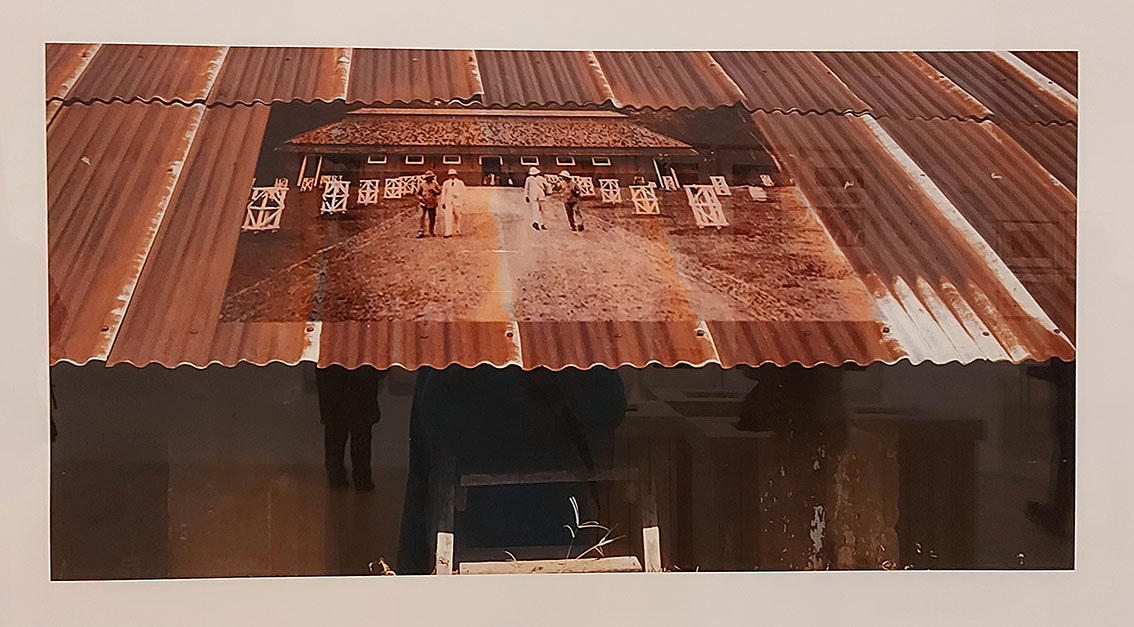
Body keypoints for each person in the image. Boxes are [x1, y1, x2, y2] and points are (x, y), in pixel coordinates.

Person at [316, 365, 384, 491]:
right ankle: (361, 480)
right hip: (361, 387)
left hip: (334, 389)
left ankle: (338, 479)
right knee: (360, 438)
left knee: (335, 437)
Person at [415, 170, 442, 238]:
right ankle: (421, 231)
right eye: (428, 177)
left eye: (431, 177)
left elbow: (439, 192)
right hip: (423, 203)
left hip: (432, 203)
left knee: (432, 218)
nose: (430, 179)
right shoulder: (422, 184)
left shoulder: (435, 184)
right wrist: (420, 198)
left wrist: (434, 190)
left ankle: (431, 230)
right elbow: (417, 193)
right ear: (426, 178)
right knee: (421, 217)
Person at [439, 169, 466, 238]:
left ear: (456, 175)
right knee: (448, 217)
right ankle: (448, 232)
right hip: (448, 201)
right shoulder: (446, 183)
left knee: (458, 216)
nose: (452, 176)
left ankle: (458, 229)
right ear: (448, 176)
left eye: (453, 175)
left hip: (457, 201)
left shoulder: (460, 183)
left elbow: (463, 192)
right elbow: (443, 193)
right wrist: (443, 202)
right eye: (450, 175)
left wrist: (459, 197)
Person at [524, 166, 548, 231]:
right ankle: (536, 222)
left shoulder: (541, 178)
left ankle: (543, 224)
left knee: (543, 211)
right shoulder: (529, 179)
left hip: (541, 196)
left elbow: (547, 185)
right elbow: (526, 188)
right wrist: (526, 195)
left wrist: (548, 192)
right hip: (533, 196)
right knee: (535, 210)